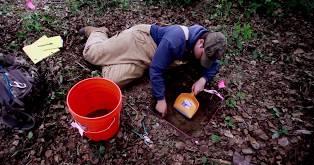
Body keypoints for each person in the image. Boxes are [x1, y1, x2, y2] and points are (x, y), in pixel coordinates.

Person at [80, 23, 226, 117]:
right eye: (203, 57)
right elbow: (156, 70)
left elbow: (214, 64)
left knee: (111, 82)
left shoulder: (208, 46)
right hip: (138, 41)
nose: (203, 61)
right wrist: (161, 99)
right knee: (91, 55)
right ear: (201, 42)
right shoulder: (176, 39)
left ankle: (113, 58)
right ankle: (97, 33)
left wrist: (203, 79)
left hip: (149, 59)